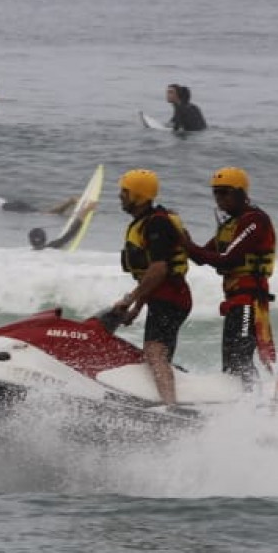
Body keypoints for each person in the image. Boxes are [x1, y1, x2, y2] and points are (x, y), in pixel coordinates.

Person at [189, 166, 278, 396]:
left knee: (241, 358)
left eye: (225, 192)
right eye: (216, 193)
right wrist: (179, 239)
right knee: (230, 363)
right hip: (234, 303)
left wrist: (184, 244)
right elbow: (200, 255)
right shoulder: (229, 226)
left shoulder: (254, 220)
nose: (219, 198)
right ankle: (236, 405)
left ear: (240, 192)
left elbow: (227, 260)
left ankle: (256, 400)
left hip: (250, 302)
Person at [110, 169, 193, 408]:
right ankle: (166, 401)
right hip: (163, 296)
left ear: (138, 194)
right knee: (158, 354)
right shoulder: (145, 222)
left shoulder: (157, 223)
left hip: (172, 297)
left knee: (154, 351)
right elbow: (151, 278)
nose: (120, 196)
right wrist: (136, 309)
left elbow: (158, 270)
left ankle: (170, 407)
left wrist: (130, 299)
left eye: (124, 192)